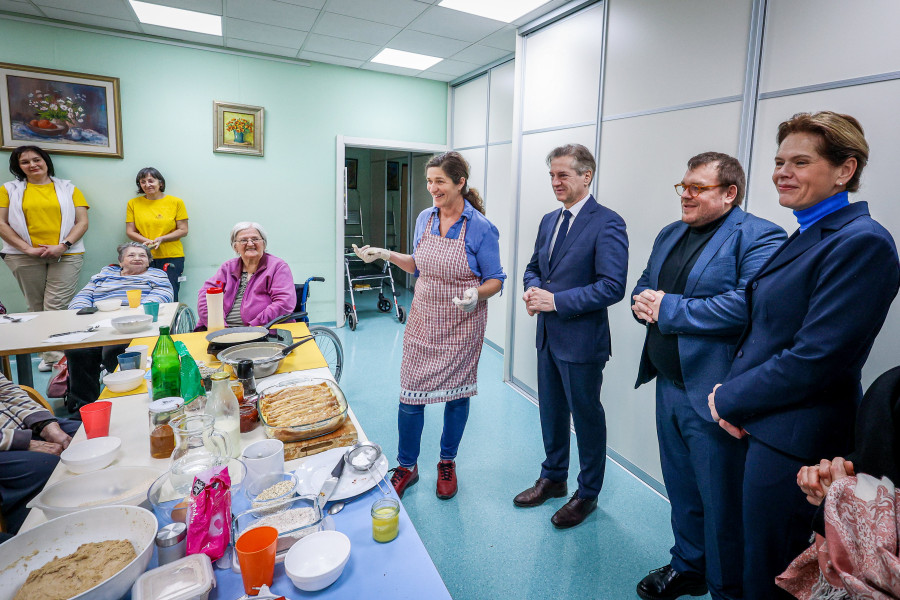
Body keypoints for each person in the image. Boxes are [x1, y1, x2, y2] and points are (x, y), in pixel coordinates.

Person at [707, 111, 900, 600]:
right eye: (779, 162)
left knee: (774, 573)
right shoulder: (808, 231)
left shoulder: (863, 242)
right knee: (756, 558)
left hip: (798, 439)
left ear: (845, 170)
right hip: (766, 423)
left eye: (799, 162)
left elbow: (816, 358)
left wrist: (729, 397)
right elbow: (771, 331)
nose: (782, 173)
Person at [631, 152, 786, 600]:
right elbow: (645, 282)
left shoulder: (760, 236)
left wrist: (667, 309)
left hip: (713, 394)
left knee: (720, 502)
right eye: (683, 186)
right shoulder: (670, 232)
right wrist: (642, 303)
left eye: (697, 188)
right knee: (682, 490)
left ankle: (726, 586)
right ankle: (689, 566)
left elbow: (748, 305)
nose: (686, 195)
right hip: (667, 386)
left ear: (730, 193)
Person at [352, 151, 505, 500]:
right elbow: (418, 265)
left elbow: (496, 279)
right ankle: (407, 465)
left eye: (440, 181)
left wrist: (476, 294)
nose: (432, 188)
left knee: (457, 394)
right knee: (410, 395)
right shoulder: (425, 218)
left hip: (462, 323)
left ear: (460, 182)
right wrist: (386, 254)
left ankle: (447, 462)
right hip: (423, 319)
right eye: (429, 181)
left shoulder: (480, 227)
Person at [513, 143, 628, 529]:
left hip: (582, 342)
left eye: (563, 174)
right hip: (548, 337)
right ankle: (553, 478)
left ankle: (587, 493)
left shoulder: (607, 223)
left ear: (586, 176)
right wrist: (532, 291)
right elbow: (533, 268)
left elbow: (612, 286)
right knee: (551, 411)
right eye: (552, 175)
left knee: (587, 417)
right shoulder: (550, 220)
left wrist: (556, 301)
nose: (555, 182)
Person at [0, 145, 89, 372]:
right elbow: (1, 223)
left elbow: (82, 222)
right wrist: (27, 249)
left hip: (66, 254)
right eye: (25, 162)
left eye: (37, 159)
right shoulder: (8, 189)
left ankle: (55, 358)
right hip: (23, 256)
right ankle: (49, 354)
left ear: (46, 161)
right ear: (18, 166)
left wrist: (63, 245)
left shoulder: (69, 188)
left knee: (55, 305)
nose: (32, 165)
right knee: (36, 306)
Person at [64, 242, 173, 414]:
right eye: (131, 255)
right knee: (78, 351)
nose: (137, 258)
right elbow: (84, 295)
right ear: (121, 261)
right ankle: (86, 407)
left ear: (148, 261)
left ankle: (125, 402)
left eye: (142, 255)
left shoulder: (156, 275)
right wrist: (83, 312)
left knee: (116, 351)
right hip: (98, 323)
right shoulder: (104, 275)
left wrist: (136, 312)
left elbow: (163, 295)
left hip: (133, 325)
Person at [0, 371, 80, 540]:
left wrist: (46, 425)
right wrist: (23, 442)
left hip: (18, 425)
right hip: (6, 442)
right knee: (46, 466)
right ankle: (31, 538)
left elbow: (7, 391)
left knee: (83, 434)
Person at [197, 222, 295, 328]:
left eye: (255, 239)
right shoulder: (228, 268)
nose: (250, 244)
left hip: (263, 330)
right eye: (243, 240)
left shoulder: (277, 267)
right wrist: (219, 326)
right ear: (235, 247)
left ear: (264, 244)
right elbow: (205, 295)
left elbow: (284, 303)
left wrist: (255, 326)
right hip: (222, 330)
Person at [125, 167, 188, 300]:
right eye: (143, 182)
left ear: (160, 183)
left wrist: (162, 238)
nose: (147, 185)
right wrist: (146, 241)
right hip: (143, 256)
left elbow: (183, 230)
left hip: (171, 256)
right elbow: (130, 231)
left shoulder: (176, 202)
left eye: (151, 181)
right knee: (145, 295)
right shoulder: (133, 203)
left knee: (170, 293)